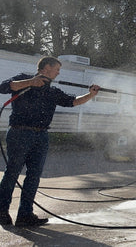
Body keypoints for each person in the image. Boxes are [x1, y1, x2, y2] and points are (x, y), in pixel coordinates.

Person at [0, 56, 100, 227]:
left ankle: (25, 215)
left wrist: (91, 95)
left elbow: (73, 101)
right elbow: (4, 87)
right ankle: (2, 212)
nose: (58, 73)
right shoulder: (23, 78)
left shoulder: (52, 91)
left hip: (42, 136)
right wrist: (30, 82)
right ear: (46, 68)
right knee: (12, 173)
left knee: (34, 176)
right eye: (57, 69)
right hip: (20, 132)